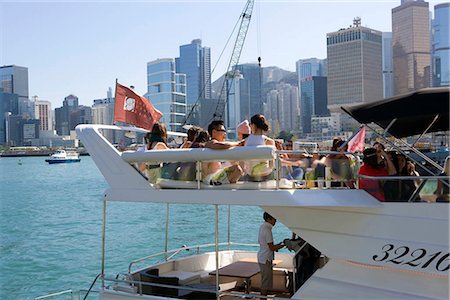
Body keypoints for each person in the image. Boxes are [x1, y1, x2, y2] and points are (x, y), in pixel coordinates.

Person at [202, 120, 243, 185]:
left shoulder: (216, 146)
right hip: (209, 180)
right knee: (236, 169)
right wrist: (238, 144)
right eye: (223, 131)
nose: (225, 133)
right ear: (214, 132)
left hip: (213, 179)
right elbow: (223, 145)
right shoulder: (210, 143)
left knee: (236, 168)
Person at [258, 212, 284, 296]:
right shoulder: (267, 229)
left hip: (263, 257)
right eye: (274, 218)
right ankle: (263, 298)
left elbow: (268, 246)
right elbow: (271, 248)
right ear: (269, 219)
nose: (275, 220)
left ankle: (264, 297)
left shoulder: (263, 226)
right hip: (266, 259)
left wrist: (278, 246)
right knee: (265, 283)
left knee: (265, 281)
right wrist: (283, 245)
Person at [244, 114, 276, 181]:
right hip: (265, 175)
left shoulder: (246, 141)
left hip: (250, 175)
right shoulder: (269, 141)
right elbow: (272, 164)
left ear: (253, 125)